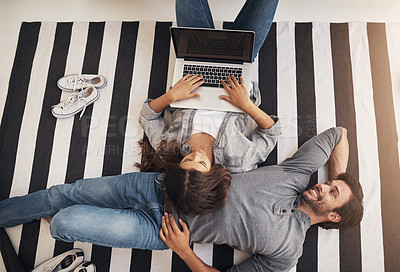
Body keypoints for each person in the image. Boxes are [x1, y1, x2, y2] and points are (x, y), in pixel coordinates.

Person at [0, 127, 364, 271]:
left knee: (65, 221)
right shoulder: (297, 175)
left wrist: (184, 251)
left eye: (332, 193)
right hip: (155, 185)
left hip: (160, 229)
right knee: (61, 193)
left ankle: (61, 216)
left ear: (333, 217)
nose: (323, 186)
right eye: (329, 182)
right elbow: (339, 135)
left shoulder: (288, 252)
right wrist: (345, 179)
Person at [136, 0, 282, 215]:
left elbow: (147, 118)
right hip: (234, 74)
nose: (196, 154)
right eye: (202, 163)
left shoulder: (168, 150)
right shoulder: (241, 160)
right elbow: (271, 133)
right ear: (213, 173)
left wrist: (171, 96)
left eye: (187, 159)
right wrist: (246, 105)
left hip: (194, 65)